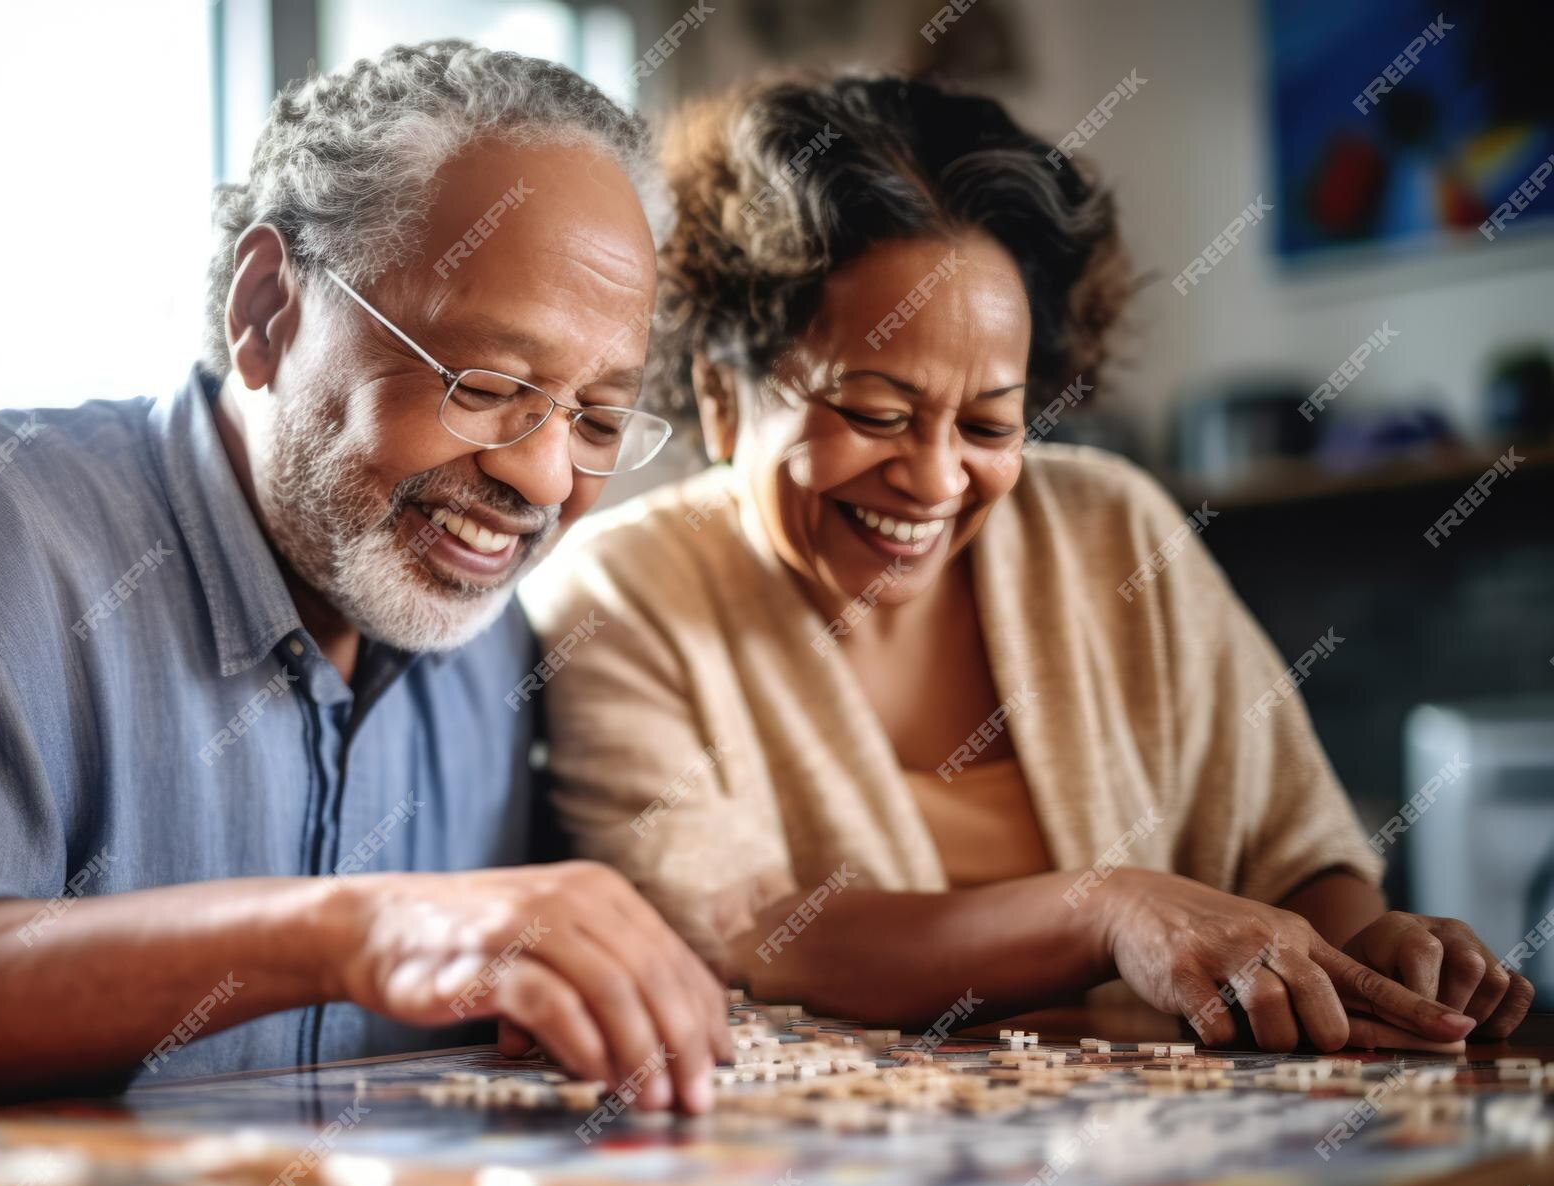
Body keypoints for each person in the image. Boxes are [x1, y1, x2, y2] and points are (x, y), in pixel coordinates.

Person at [0, 41, 732, 1129]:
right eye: (486, 384)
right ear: (265, 311)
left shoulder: (487, 637)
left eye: (595, 418)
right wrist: (356, 928)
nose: (542, 474)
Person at [522, 72, 1533, 1052]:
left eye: (986, 423)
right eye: (874, 413)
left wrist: (1364, 954)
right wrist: (1102, 910)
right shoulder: (619, 593)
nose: (931, 478)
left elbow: (1289, 848)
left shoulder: (1109, 527)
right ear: (718, 394)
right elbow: (747, 934)